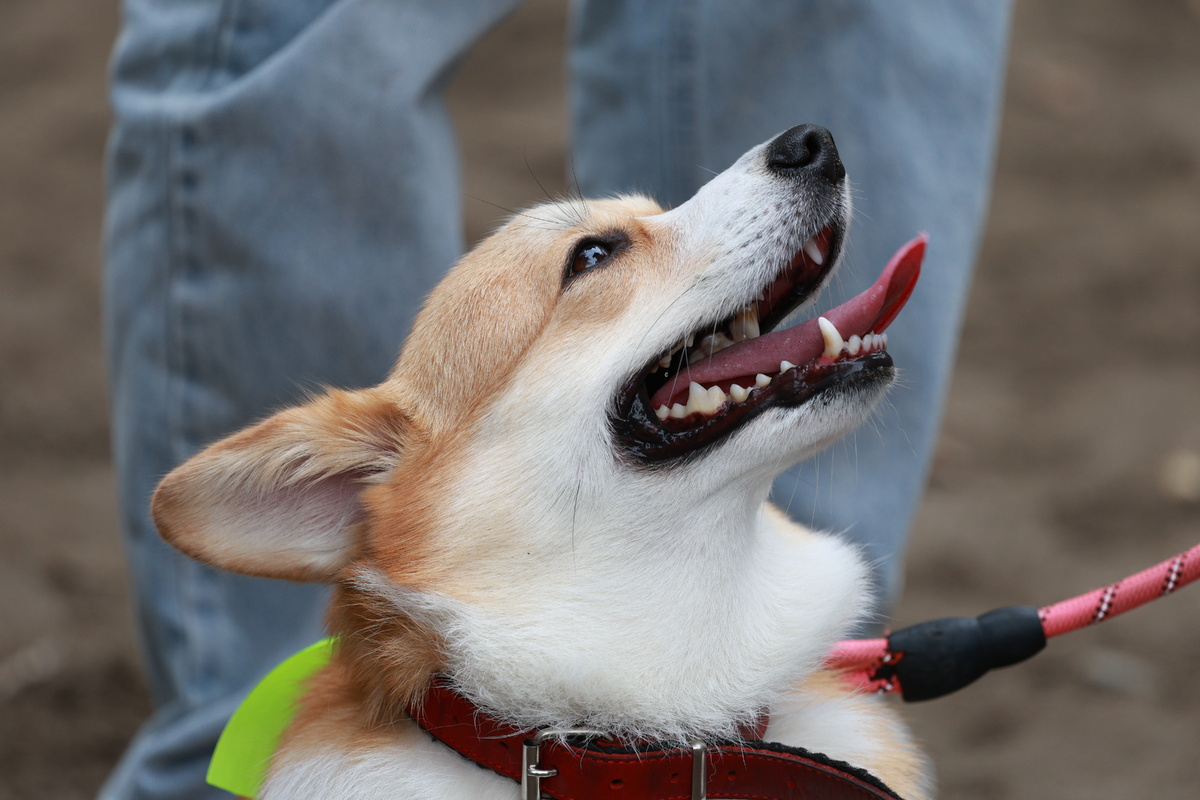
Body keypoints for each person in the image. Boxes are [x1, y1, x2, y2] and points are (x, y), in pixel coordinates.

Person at [100, 1, 1011, 797]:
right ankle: (207, 769)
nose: (790, 157)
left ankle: (769, 742)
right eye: (595, 257)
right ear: (370, 490)